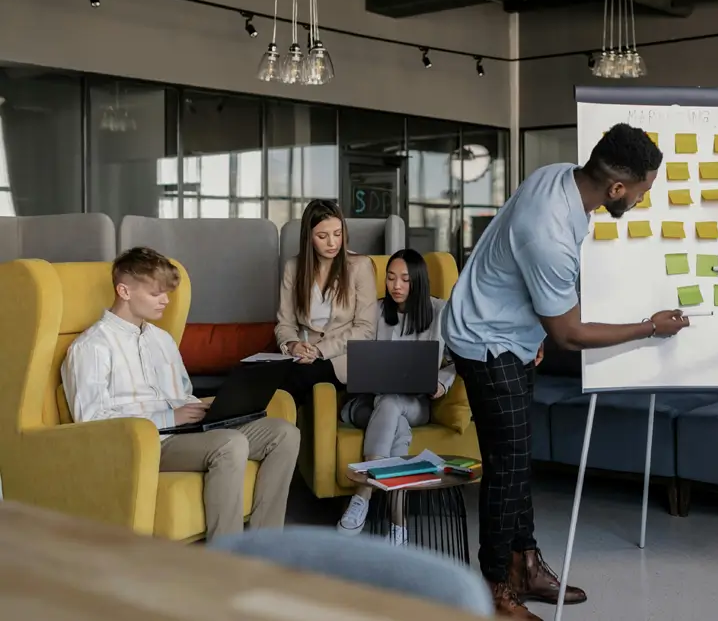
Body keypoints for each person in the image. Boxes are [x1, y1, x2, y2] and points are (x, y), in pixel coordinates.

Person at [443, 123, 691, 619]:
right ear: (616, 188)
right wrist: (648, 327)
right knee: (506, 466)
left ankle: (525, 562)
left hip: (510, 334)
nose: (642, 200)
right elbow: (570, 335)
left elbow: (529, 289)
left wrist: (534, 333)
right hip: (485, 341)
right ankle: (494, 590)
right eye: (642, 191)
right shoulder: (549, 230)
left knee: (517, 460)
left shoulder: (559, 176)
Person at [62, 247, 301, 541]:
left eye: (167, 292)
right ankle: (229, 558)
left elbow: (182, 393)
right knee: (229, 443)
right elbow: (91, 420)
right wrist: (168, 416)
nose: (165, 300)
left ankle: (266, 545)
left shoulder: (161, 339)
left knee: (284, 433)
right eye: (156, 293)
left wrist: (214, 407)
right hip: (147, 444)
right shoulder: (92, 347)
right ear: (124, 291)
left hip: (187, 431)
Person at [336, 248, 455, 545]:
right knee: (392, 415)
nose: (396, 286)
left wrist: (441, 384)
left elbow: (458, 359)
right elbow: (352, 352)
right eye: (390, 278)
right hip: (368, 403)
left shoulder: (440, 312)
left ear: (418, 281)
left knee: (393, 405)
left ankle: (363, 494)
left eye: (404, 279)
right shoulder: (374, 311)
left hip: (416, 403)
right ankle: (398, 523)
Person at [276, 199, 378, 408]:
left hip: (344, 356)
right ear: (309, 238)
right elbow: (284, 323)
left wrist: (320, 350)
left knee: (296, 378)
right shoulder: (293, 268)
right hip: (303, 356)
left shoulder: (360, 266)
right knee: (256, 374)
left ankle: (277, 437)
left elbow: (366, 329)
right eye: (323, 236)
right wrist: (293, 345)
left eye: (338, 234)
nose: (333, 243)